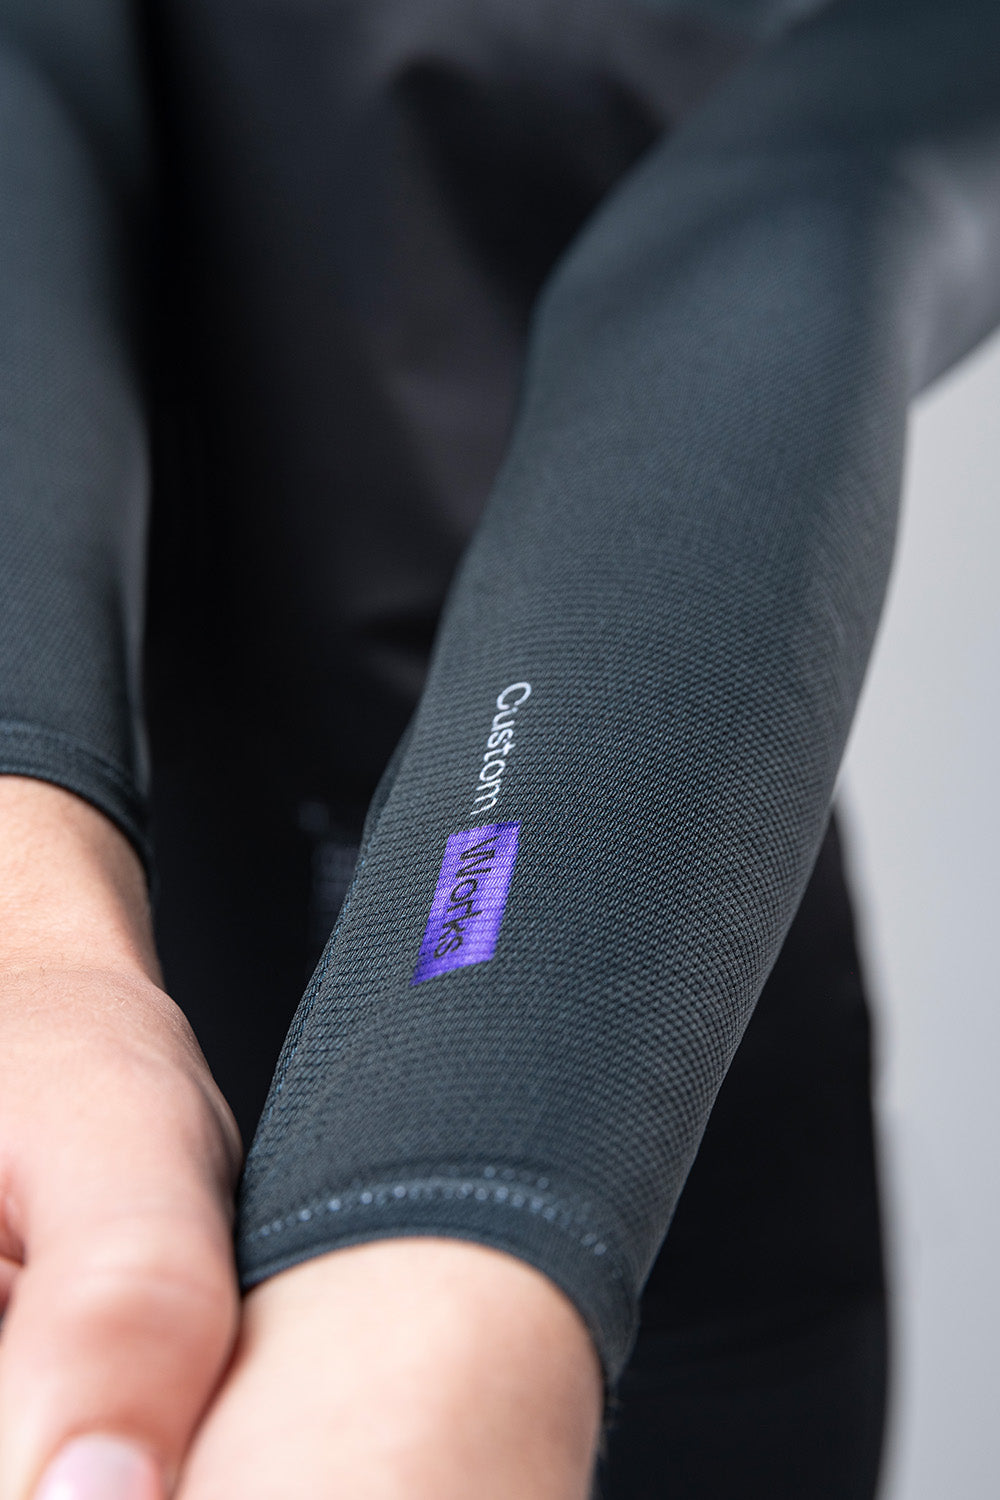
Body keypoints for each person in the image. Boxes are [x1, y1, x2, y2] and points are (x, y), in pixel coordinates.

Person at [0, 1, 998, 1498]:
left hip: (616, 1074)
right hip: (87, 999)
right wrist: (30, 943)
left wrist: (440, 1206)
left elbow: (806, 195)